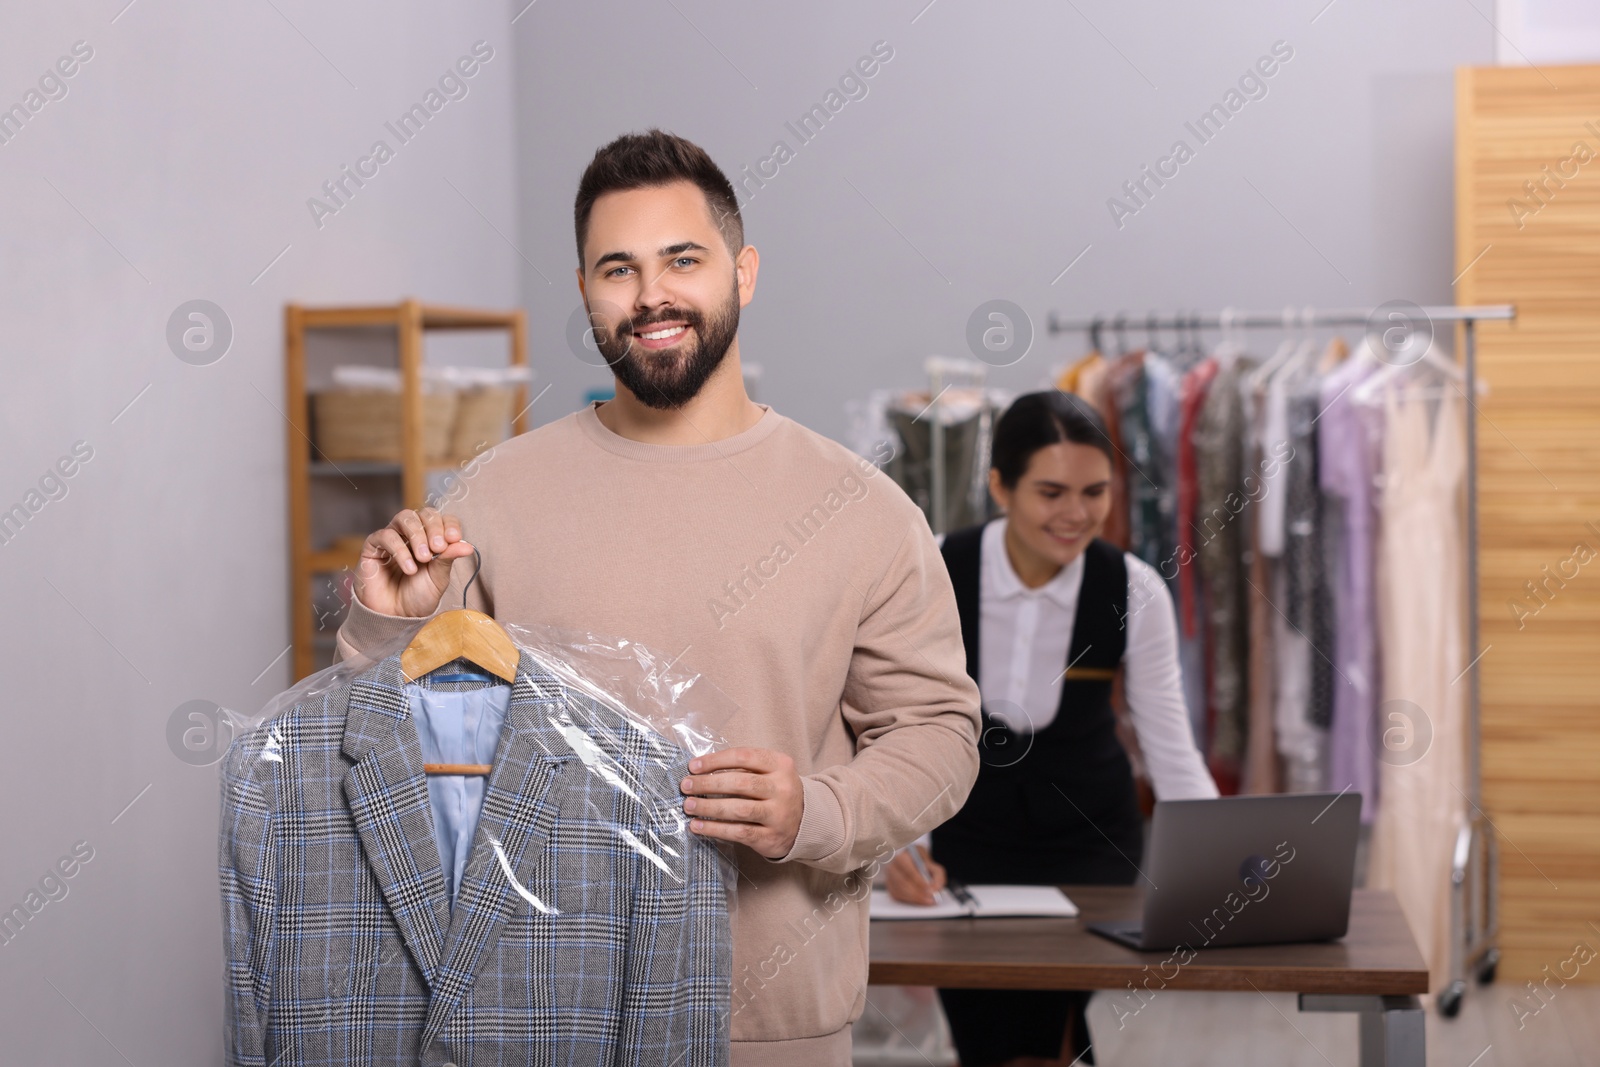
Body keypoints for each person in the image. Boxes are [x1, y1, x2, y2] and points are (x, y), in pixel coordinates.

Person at [334, 130, 981, 1067]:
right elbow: (393, 748)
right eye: (618, 269)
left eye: (684, 259)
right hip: (539, 1012)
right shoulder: (490, 495)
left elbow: (939, 736)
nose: (651, 296)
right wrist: (389, 618)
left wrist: (817, 810)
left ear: (743, 271)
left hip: (771, 1026)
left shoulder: (864, 509)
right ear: (586, 290)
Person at [883, 390, 1218, 1066]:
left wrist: (1221, 870)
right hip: (967, 838)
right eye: (1052, 491)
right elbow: (905, 726)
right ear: (999, 485)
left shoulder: (1136, 589)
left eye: (1095, 491)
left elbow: (1170, 749)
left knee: (1042, 1027)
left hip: (1091, 846)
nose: (1076, 513)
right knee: (988, 1030)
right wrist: (904, 847)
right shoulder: (939, 569)